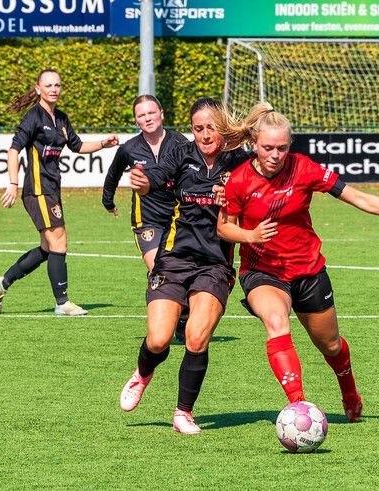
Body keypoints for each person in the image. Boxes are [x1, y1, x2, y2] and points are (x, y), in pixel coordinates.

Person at [213, 103, 379, 422]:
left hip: (308, 270)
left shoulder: (304, 168)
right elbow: (224, 226)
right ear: (254, 144)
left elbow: (356, 197)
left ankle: (348, 390)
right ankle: (298, 407)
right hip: (262, 271)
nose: (275, 154)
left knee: (330, 345)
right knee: (277, 323)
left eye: (282, 148)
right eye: (267, 148)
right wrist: (250, 236)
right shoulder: (239, 180)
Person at [118, 97, 250, 435]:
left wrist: (234, 198)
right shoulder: (181, 152)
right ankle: (142, 373)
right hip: (174, 258)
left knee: (195, 338)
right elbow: (156, 177)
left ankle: (183, 413)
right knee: (159, 340)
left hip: (215, 265)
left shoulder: (240, 162)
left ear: (224, 128)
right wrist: (143, 182)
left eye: (212, 127)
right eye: (198, 128)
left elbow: (257, 195)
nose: (205, 134)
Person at [0, 69, 118, 316]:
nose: (54, 89)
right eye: (48, 85)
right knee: (59, 241)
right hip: (37, 190)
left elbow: (78, 146)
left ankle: (2, 283)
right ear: (38, 89)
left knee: (48, 248)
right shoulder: (33, 118)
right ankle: (62, 303)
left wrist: (103, 143)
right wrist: (13, 183)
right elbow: (14, 150)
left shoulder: (60, 118)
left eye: (57, 85)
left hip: (52, 189)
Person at [102, 94, 190, 342]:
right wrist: (108, 201)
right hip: (146, 220)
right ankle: (162, 322)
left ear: (161, 113)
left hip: (177, 218)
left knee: (181, 271)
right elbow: (112, 175)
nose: (147, 118)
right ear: (136, 121)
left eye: (151, 112)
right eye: (141, 115)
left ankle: (182, 319)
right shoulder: (129, 148)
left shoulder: (180, 143)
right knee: (160, 270)